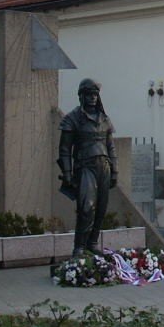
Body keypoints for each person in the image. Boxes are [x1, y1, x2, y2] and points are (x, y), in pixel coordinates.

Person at [57, 78, 118, 257]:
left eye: (95, 95)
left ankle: (92, 243)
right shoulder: (73, 118)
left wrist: (115, 170)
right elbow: (65, 149)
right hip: (85, 167)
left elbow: (111, 146)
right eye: (88, 94)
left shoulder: (104, 119)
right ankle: (79, 247)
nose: (92, 98)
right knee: (86, 207)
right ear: (81, 96)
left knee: (101, 208)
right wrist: (67, 173)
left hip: (104, 167)